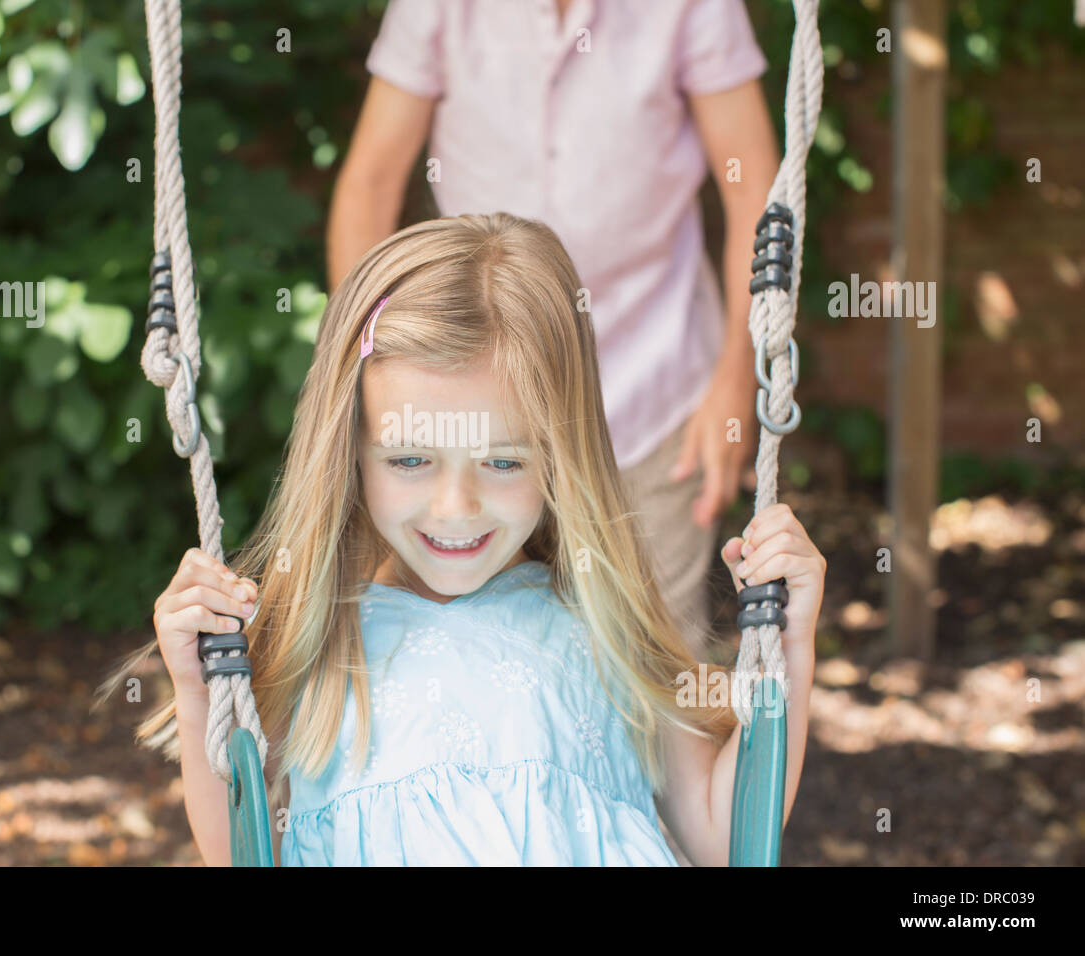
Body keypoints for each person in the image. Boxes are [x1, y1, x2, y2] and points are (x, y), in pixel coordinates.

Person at [120, 213, 823, 866]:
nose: (456, 508)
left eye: (503, 461)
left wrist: (789, 642)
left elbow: (730, 836)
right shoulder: (319, 643)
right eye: (409, 460)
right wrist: (196, 685)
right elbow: (241, 853)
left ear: (559, 456)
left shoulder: (603, 632)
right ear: (351, 454)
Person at [326, 0, 782, 666]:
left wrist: (736, 379)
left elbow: (755, 192)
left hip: (652, 398)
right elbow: (368, 187)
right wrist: (367, 376)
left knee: (654, 671)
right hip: (475, 410)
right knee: (469, 659)